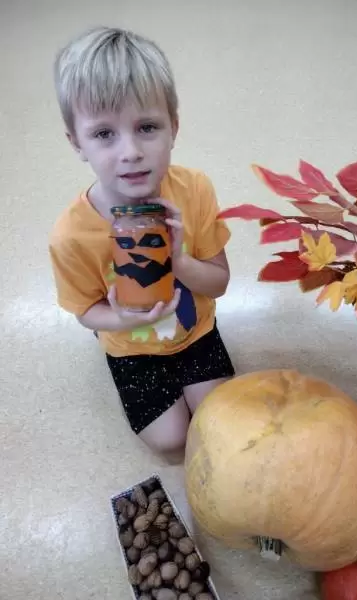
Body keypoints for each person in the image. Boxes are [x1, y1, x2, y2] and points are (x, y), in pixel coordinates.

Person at [49, 26, 235, 464]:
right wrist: (117, 318)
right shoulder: (71, 236)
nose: (130, 151)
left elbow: (220, 283)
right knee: (171, 441)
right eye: (104, 134)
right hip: (130, 346)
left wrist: (180, 260)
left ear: (174, 127)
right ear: (77, 143)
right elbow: (85, 311)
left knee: (218, 423)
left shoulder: (195, 189)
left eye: (147, 127)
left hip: (196, 330)